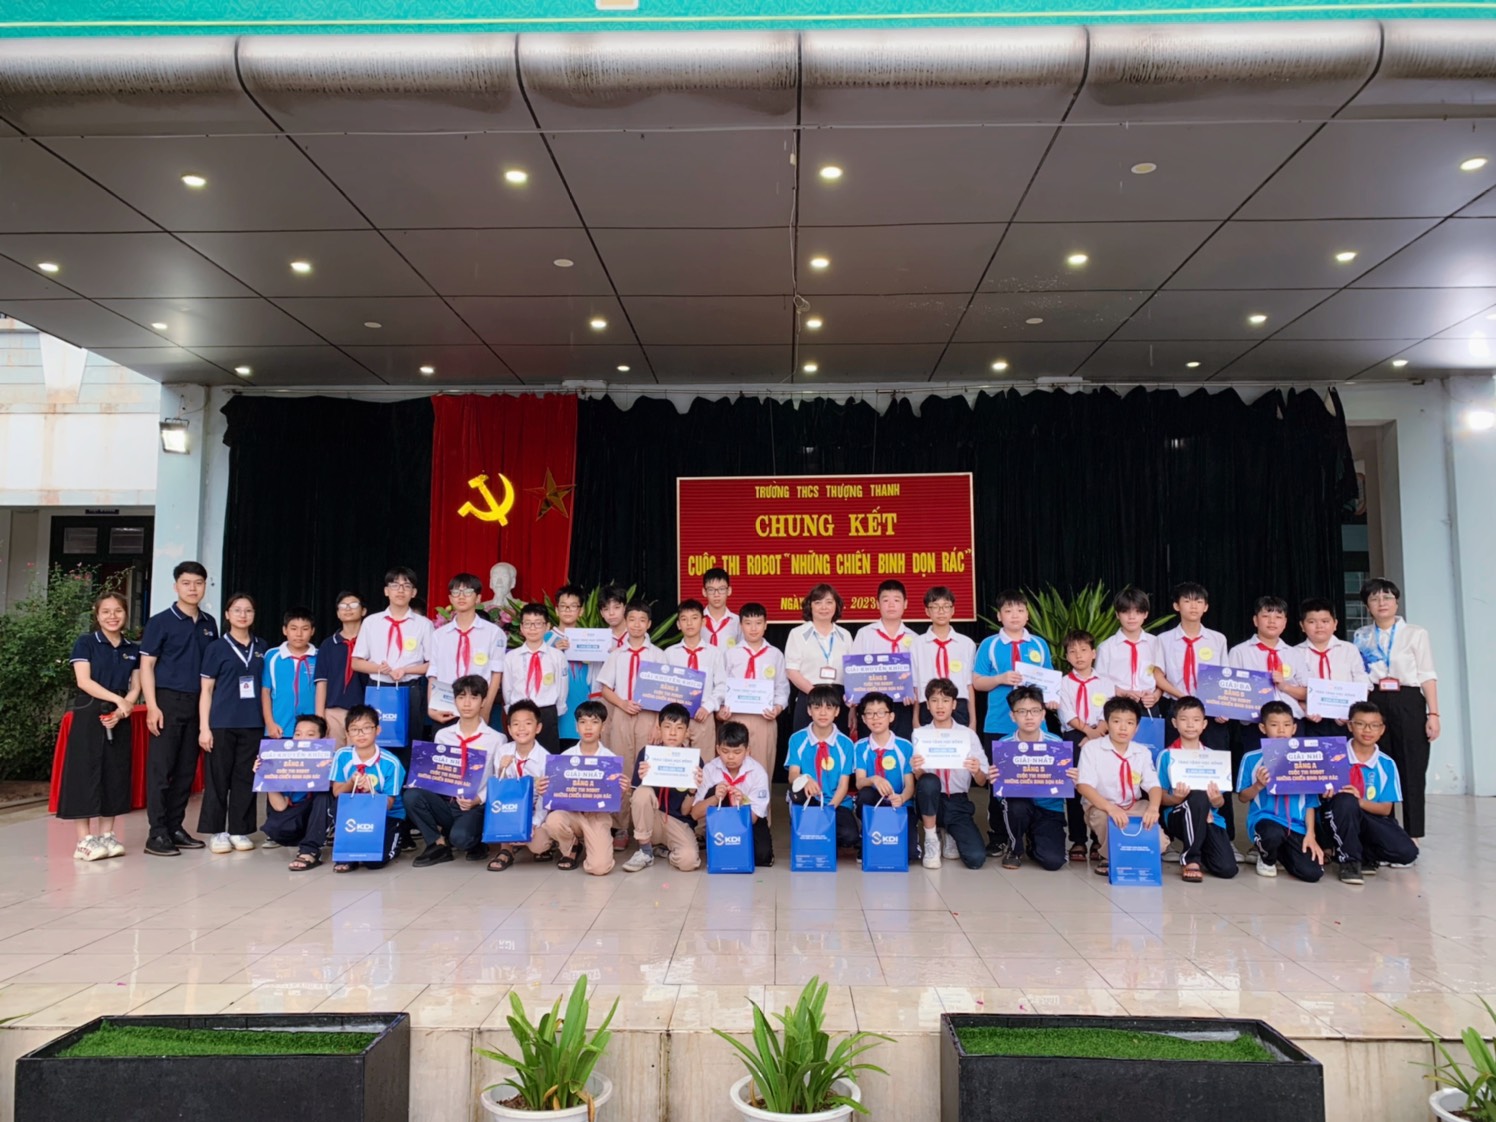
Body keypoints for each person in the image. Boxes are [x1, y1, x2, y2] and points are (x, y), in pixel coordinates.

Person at [139, 560, 218, 856]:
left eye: (198, 583)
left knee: (186, 770)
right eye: (186, 583)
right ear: (176, 586)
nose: (192, 588)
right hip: (167, 701)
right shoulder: (160, 621)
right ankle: (157, 833)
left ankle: (175, 826)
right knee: (162, 770)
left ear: (205, 586)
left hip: (198, 703)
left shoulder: (209, 623)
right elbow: (147, 665)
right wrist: (152, 706)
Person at [1352, 577, 1439, 841]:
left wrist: (1433, 714)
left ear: (1396, 602)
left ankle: (1413, 835)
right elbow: (1359, 674)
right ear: (1367, 605)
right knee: (1377, 765)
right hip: (1374, 699)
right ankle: (1384, 832)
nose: (1382, 603)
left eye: (1387, 597)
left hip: (1408, 699)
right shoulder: (1361, 636)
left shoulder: (1415, 633)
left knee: (1412, 767)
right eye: (1375, 598)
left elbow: (1427, 674)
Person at [59, 591, 141, 861]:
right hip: (90, 709)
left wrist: (123, 709)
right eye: (106, 611)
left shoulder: (132, 649)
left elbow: (136, 685)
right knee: (84, 772)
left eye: (118, 611)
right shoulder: (86, 643)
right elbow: (84, 681)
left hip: (119, 714)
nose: (112, 616)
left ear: (125, 613)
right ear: (97, 614)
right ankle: (84, 840)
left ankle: (107, 834)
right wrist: (117, 700)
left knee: (114, 772)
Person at [1152, 581, 1236, 841]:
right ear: (1176, 606)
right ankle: (1171, 835)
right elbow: (1158, 675)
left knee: (1218, 774)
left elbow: (1225, 677)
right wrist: (1184, 698)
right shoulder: (1164, 640)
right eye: (1187, 601)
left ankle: (1224, 834)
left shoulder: (1217, 639)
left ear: (1206, 607)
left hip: (1210, 713)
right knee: (1173, 773)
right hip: (1176, 708)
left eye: (1198, 601)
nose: (1193, 606)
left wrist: (1222, 706)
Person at [973, 589, 1052, 855]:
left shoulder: (1039, 644)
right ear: (999, 616)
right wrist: (1000, 678)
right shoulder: (989, 645)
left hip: (1035, 727)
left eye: (1020, 610)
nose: (1014, 615)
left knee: (1035, 779)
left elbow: (1049, 682)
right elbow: (977, 682)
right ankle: (998, 835)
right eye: (1008, 611)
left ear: (1027, 614)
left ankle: (1032, 834)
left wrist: (1052, 699)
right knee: (998, 780)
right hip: (999, 724)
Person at [406, 674, 506, 868]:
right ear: (454, 700)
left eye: (474, 697)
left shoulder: (496, 739)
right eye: (461, 697)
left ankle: (476, 840)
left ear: (483, 701)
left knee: (461, 839)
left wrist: (478, 799)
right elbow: (436, 774)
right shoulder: (443, 735)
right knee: (412, 796)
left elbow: (498, 779)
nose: (467, 703)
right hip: (448, 802)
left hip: (476, 806)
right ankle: (437, 843)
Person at [195, 592, 266, 855]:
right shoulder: (216, 648)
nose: (242, 615)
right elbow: (206, 690)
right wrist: (204, 727)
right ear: (227, 614)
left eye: (248, 610)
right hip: (222, 723)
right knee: (218, 779)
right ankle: (217, 831)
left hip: (253, 722)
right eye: (237, 610)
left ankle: (239, 829)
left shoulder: (262, 647)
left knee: (246, 777)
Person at [1316, 701, 1420, 882]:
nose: (1367, 730)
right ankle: (1349, 862)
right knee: (1345, 801)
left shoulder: (1387, 764)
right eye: (1361, 724)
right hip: (1334, 817)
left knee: (1408, 852)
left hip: (1370, 818)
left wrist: (1360, 801)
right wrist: (1324, 792)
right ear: (1350, 726)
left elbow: (1386, 809)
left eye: (1374, 725)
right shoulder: (1331, 755)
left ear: (1382, 730)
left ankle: (1363, 854)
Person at [351, 566, 434, 764]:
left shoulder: (424, 624)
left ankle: (405, 783)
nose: (400, 590)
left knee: (410, 742)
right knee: (375, 739)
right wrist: (379, 669)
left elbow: (432, 665)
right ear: (386, 590)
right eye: (395, 585)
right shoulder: (371, 622)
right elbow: (356, 662)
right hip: (379, 688)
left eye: (406, 586)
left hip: (410, 690)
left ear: (414, 592)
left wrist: (406, 670)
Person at [597, 599, 664, 842]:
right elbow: (605, 688)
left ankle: (649, 828)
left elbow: (665, 692)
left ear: (649, 624)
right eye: (632, 619)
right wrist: (622, 703)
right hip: (622, 714)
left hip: (649, 716)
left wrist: (658, 724)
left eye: (642, 620)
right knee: (622, 769)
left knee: (648, 769)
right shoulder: (617, 655)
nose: (636, 625)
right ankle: (621, 826)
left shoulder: (658, 655)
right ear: (625, 622)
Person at [1074, 696, 1163, 877]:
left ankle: (1125, 854)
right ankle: (1110, 856)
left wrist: (1154, 808)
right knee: (1106, 819)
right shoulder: (1092, 748)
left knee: (1159, 843)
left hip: (1133, 805)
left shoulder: (1142, 752)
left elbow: (1153, 785)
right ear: (1107, 723)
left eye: (1129, 723)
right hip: (1101, 805)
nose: (1123, 728)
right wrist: (1110, 808)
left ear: (1136, 727)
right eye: (1116, 721)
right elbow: (1084, 785)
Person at [1236, 701, 1324, 882]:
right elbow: (1242, 797)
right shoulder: (1251, 758)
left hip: (1296, 826)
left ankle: (1281, 852)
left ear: (1294, 728)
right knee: (1272, 834)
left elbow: (1310, 803)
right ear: (1263, 728)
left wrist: (1311, 834)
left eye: (1287, 725)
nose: (1281, 730)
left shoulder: (1306, 758)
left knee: (1312, 873)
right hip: (1266, 821)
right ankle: (1267, 859)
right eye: (1274, 725)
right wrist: (1258, 786)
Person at [1157, 696, 1238, 882]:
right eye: (1184, 719)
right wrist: (1175, 799)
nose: (1190, 725)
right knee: (1199, 796)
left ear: (1204, 724)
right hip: (1178, 815)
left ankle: (1200, 847)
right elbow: (1160, 795)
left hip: (1210, 817)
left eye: (1196, 720)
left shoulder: (1213, 757)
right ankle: (1190, 859)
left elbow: (1220, 802)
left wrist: (1216, 800)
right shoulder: (1167, 755)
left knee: (1227, 869)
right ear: (1174, 723)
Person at [911, 677, 988, 870]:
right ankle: (931, 839)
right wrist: (917, 769)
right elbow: (919, 780)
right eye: (934, 700)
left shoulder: (967, 735)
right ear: (927, 705)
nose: (940, 706)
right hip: (931, 800)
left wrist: (977, 770)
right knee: (929, 781)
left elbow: (981, 781)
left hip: (957, 801)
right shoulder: (920, 734)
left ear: (954, 704)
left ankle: (949, 832)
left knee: (976, 858)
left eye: (945, 700)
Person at [989, 685, 1068, 872]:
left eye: (1035, 711)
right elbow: (1001, 793)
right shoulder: (1004, 745)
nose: (1029, 717)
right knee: (1016, 806)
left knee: (1053, 861)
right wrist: (995, 779)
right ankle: (1015, 848)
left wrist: (1070, 777)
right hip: (1019, 805)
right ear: (1012, 716)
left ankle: (1034, 842)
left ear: (1043, 714)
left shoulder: (1056, 744)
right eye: (1022, 711)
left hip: (1049, 808)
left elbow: (1062, 784)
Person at [542, 699, 624, 875]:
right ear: (576, 726)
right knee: (553, 820)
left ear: (603, 727)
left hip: (597, 816)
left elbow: (612, 802)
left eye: (594, 722)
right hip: (571, 814)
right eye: (583, 722)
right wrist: (545, 789)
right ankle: (572, 846)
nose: (588, 727)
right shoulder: (565, 758)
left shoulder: (610, 760)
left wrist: (621, 790)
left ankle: (594, 842)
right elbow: (557, 794)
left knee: (599, 868)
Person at [1055, 629, 1117, 863]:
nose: (1078, 655)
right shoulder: (1062, 683)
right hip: (1073, 735)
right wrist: (1087, 733)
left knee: (1098, 786)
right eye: (1072, 652)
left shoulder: (1106, 683)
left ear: (1093, 653)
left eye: (1083, 650)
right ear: (1066, 656)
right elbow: (1066, 712)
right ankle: (1078, 839)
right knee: (1074, 787)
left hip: (1101, 734)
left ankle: (1098, 839)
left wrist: (1094, 735)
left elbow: (1108, 713)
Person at [623, 703, 705, 872]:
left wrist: (692, 790)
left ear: (687, 732)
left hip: (677, 820)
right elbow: (637, 800)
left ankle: (665, 851)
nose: (673, 733)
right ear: (659, 730)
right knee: (642, 792)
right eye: (667, 727)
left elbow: (686, 811)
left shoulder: (694, 761)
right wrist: (642, 779)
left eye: (679, 728)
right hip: (651, 818)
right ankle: (645, 851)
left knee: (688, 861)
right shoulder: (647, 754)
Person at [718, 602, 788, 790]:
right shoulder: (730, 654)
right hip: (735, 717)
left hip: (764, 718)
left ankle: (762, 809)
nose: (753, 628)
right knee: (732, 767)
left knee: (763, 768)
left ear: (766, 625)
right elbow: (721, 685)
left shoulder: (775, 654)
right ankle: (731, 807)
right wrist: (721, 709)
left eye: (758, 623)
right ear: (741, 625)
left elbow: (782, 688)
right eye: (748, 623)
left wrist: (777, 708)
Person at [1228, 596, 1307, 760]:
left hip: (1290, 724)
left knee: (1291, 770)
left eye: (1278, 617)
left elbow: (1307, 692)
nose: (1272, 622)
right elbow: (1230, 692)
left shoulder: (1294, 653)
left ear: (1285, 622)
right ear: (1255, 620)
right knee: (1258, 768)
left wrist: (1284, 686)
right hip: (1255, 723)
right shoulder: (1239, 652)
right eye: (1266, 616)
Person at [330, 703, 406, 872]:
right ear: (347, 733)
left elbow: (389, 804)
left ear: (377, 730)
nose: (360, 734)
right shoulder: (342, 756)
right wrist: (351, 782)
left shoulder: (391, 763)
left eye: (366, 728)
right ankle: (349, 849)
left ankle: (397, 838)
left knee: (374, 862)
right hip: (353, 814)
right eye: (354, 729)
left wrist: (372, 790)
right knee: (335, 807)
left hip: (387, 815)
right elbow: (337, 793)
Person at [785, 683, 859, 856]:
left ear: (837, 711)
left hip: (835, 803)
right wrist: (806, 779)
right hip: (808, 800)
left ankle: (823, 836)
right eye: (817, 707)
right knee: (798, 789)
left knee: (850, 836)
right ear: (809, 710)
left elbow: (843, 785)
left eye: (829, 708)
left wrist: (828, 812)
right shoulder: (797, 739)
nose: (823, 713)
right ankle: (809, 829)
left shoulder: (846, 744)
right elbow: (792, 775)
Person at [693, 719, 773, 867]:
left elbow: (754, 818)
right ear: (717, 749)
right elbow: (695, 814)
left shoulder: (758, 772)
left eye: (737, 752)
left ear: (748, 750)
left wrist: (742, 801)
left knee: (762, 856)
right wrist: (715, 798)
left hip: (748, 818)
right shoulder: (710, 769)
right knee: (716, 789)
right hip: (720, 818)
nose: (730, 757)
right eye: (725, 751)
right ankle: (718, 841)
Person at [428, 572, 504, 726]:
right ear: (450, 598)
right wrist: (431, 708)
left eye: (468, 592)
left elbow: (496, 673)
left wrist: (486, 708)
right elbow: (433, 673)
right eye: (456, 592)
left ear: (478, 598)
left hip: (478, 707)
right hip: (445, 707)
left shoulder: (493, 633)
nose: (461, 597)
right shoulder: (439, 635)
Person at [261, 714, 335, 871]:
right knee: (276, 827)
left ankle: (310, 850)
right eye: (298, 734)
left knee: (324, 795)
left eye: (310, 735)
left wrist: (330, 773)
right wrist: (266, 777)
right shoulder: (283, 761)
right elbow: (280, 806)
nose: (302, 739)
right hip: (299, 814)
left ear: (322, 739)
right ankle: (305, 839)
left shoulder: (333, 760)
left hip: (325, 813)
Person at [487, 699, 554, 871]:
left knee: (538, 845)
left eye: (528, 723)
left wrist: (534, 822)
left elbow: (544, 799)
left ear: (538, 728)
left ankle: (545, 843)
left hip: (534, 810)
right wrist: (502, 770)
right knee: (505, 816)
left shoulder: (545, 759)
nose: (521, 728)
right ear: (509, 729)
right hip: (510, 809)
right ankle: (506, 850)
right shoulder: (503, 752)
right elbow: (499, 793)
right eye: (516, 724)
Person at [853, 691, 916, 860]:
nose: (876, 718)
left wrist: (902, 798)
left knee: (909, 854)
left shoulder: (905, 746)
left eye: (881, 712)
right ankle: (866, 833)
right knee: (865, 794)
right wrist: (874, 779)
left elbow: (910, 785)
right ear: (863, 719)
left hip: (900, 804)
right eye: (870, 713)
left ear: (891, 716)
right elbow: (859, 782)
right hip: (874, 803)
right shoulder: (860, 747)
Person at [850, 580, 917, 738]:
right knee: (871, 748)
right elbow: (854, 674)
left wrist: (912, 693)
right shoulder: (865, 634)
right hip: (871, 706)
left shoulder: (915, 638)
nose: (891, 605)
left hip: (903, 705)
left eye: (896, 600)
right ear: (877, 604)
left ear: (905, 604)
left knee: (902, 746)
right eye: (886, 600)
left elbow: (917, 675)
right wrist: (852, 709)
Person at [1296, 597, 1370, 738]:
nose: (1319, 626)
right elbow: (1291, 688)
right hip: (1310, 719)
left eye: (1325, 621)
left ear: (1335, 624)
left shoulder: (1349, 650)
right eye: (1312, 622)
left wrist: (1351, 712)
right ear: (1302, 626)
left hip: (1346, 719)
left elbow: (1362, 683)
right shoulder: (1294, 653)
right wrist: (1304, 709)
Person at [784, 584, 853, 734]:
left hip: (838, 700)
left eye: (829, 602)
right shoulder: (797, 634)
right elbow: (791, 671)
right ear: (810, 606)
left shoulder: (845, 635)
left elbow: (852, 671)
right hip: (809, 696)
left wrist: (852, 706)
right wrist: (816, 695)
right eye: (818, 602)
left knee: (838, 744)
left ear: (836, 605)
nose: (824, 607)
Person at [664, 599, 726, 755]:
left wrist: (708, 707)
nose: (689, 623)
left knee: (704, 761)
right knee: (676, 759)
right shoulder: (669, 654)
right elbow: (664, 686)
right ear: (678, 624)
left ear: (703, 622)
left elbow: (722, 685)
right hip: (676, 719)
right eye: (684, 619)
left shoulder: (714, 653)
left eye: (694, 618)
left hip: (703, 716)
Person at [502, 603, 569, 747]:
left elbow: (562, 686)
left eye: (538, 623)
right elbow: (507, 687)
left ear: (547, 626)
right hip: (519, 711)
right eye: (528, 624)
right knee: (519, 754)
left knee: (547, 754)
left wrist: (557, 710)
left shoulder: (557, 656)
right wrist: (510, 709)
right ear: (521, 627)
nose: (532, 628)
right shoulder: (511, 657)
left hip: (546, 711)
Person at [912, 586, 977, 729]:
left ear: (953, 610)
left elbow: (969, 684)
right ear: (927, 611)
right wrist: (915, 719)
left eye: (946, 606)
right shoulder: (916, 644)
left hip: (958, 705)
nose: (941, 611)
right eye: (935, 606)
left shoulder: (966, 644)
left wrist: (973, 720)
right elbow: (915, 685)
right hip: (928, 705)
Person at [1095, 586, 1162, 715]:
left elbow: (1163, 677)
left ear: (1146, 614)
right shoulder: (1106, 647)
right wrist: (1121, 692)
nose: (1132, 617)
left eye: (1137, 612)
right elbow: (1099, 682)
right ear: (1117, 614)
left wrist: (1156, 695)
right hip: (1118, 704)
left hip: (1148, 705)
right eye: (1126, 612)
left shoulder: (1156, 643)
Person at [314, 590, 367, 746]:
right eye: (343, 606)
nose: (348, 609)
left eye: (353, 605)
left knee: (359, 756)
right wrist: (320, 718)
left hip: (364, 711)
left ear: (363, 611)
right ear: (337, 613)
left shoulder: (371, 641)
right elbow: (321, 682)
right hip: (333, 712)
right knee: (333, 756)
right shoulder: (328, 644)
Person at [547, 584, 594, 748]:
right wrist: (553, 651)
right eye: (563, 606)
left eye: (573, 606)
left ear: (581, 611)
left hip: (583, 708)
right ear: (556, 610)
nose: (568, 610)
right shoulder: (544, 639)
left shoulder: (591, 640)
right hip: (553, 711)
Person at [261, 606, 316, 739]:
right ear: (285, 630)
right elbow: (265, 692)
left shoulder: (319, 657)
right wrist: (270, 723)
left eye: (305, 629)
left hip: (311, 732)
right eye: (293, 628)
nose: (299, 634)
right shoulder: (272, 656)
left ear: (312, 631)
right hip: (278, 729)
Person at [700, 567, 741, 649]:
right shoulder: (697, 620)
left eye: (721, 589)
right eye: (711, 590)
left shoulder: (737, 621)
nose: (716, 594)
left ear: (729, 590)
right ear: (704, 592)